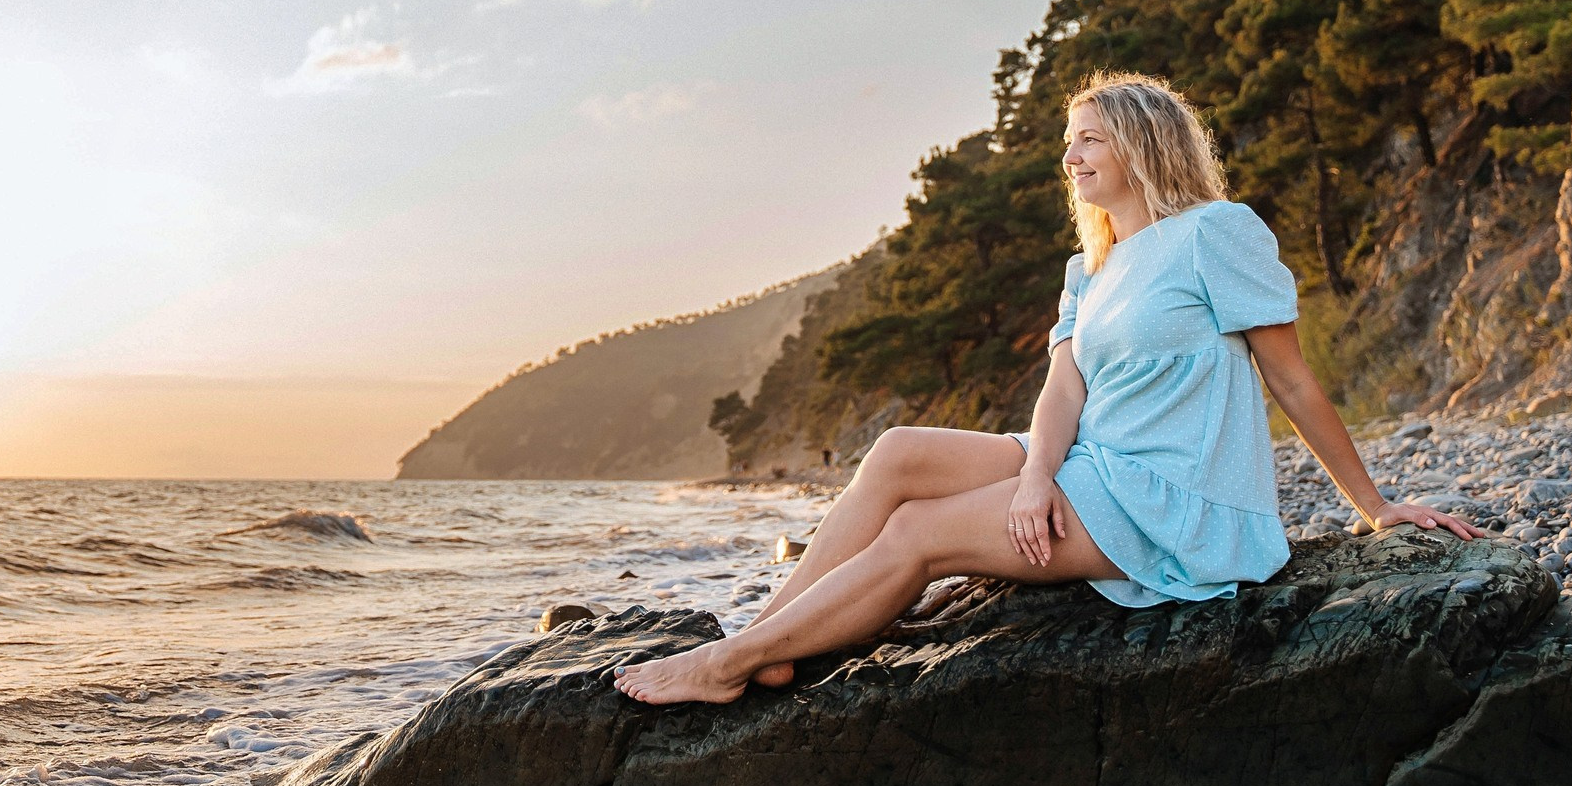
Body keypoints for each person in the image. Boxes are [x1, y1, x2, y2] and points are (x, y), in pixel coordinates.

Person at [613, 71, 1485, 707]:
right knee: (897, 453)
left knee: (918, 531)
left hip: (1170, 496)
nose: (1068, 156)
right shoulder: (1092, 264)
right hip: (1091, 463)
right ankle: (760, 640)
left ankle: (723, 668)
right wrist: (1033, 477)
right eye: (1068, 141)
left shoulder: (1215, 234)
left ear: (1142, 143)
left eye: (1086, 138)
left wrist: (1372, 506)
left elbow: (1289, 376)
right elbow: (1062, 390)